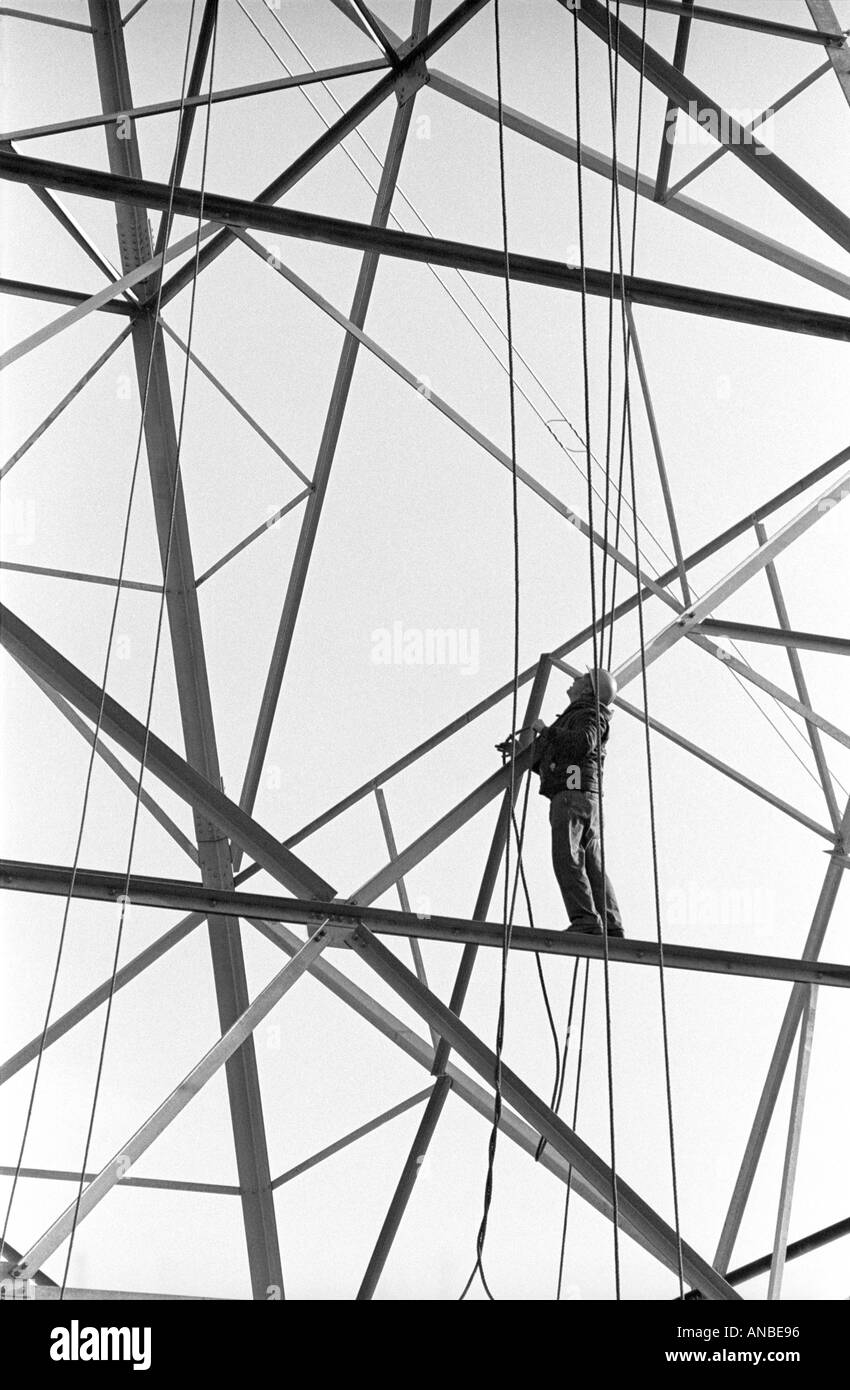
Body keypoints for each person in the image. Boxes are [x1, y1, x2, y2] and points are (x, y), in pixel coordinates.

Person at [530, 668, 625, 938]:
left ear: (588, 690)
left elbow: (582, 743)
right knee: (592, 862)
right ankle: (610, 922)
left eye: (582, 678)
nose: (575, 679)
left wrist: (548, 732)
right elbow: (563, 757)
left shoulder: (587, 713)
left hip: (573, 793)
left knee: (566, 856)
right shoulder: (584, 713)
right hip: (584, 795)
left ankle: (585, 918)